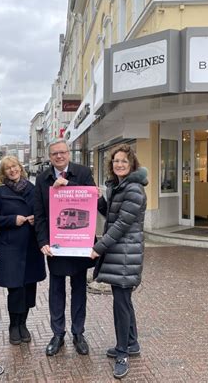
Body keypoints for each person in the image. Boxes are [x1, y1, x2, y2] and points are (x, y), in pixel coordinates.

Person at [34, 138, 97, 356]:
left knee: (79, 289)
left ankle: (78, 333)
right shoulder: (42, 179)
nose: (59, 156)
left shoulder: (83, 173)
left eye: (62, 152)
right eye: (54, 154)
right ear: (50, 157)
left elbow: (92, 198)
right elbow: (40, 214)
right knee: (56, 290)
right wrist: (42, 241)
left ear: (68, 153)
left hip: (79, 245)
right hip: (57, 245)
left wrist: (68, 185)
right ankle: (58, 334)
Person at [91, 144, 147, 379]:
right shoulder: (119, 186)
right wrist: (97, 200)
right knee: (124, 301)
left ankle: (123, 353)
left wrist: (98, 248)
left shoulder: (133, 189)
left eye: (124, 161)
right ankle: (132, 343)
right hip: (120, 254)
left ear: (131, 163)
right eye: (115, 161)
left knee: (121, 305)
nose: (119, 164)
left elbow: (122, 225)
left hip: (125, 254)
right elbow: (112, 214)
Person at [0, 156, 46, 345]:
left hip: (31, 246)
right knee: (15, 289)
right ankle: (14, 325)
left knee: (29, 287)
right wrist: (13, 220)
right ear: (3, 173)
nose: (12, 170)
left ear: (21, 168)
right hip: (10, 247)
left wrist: (37, 218)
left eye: (15, 166)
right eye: (8, 168)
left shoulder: (32, 188)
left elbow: (42, 212)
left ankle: (24, 324)